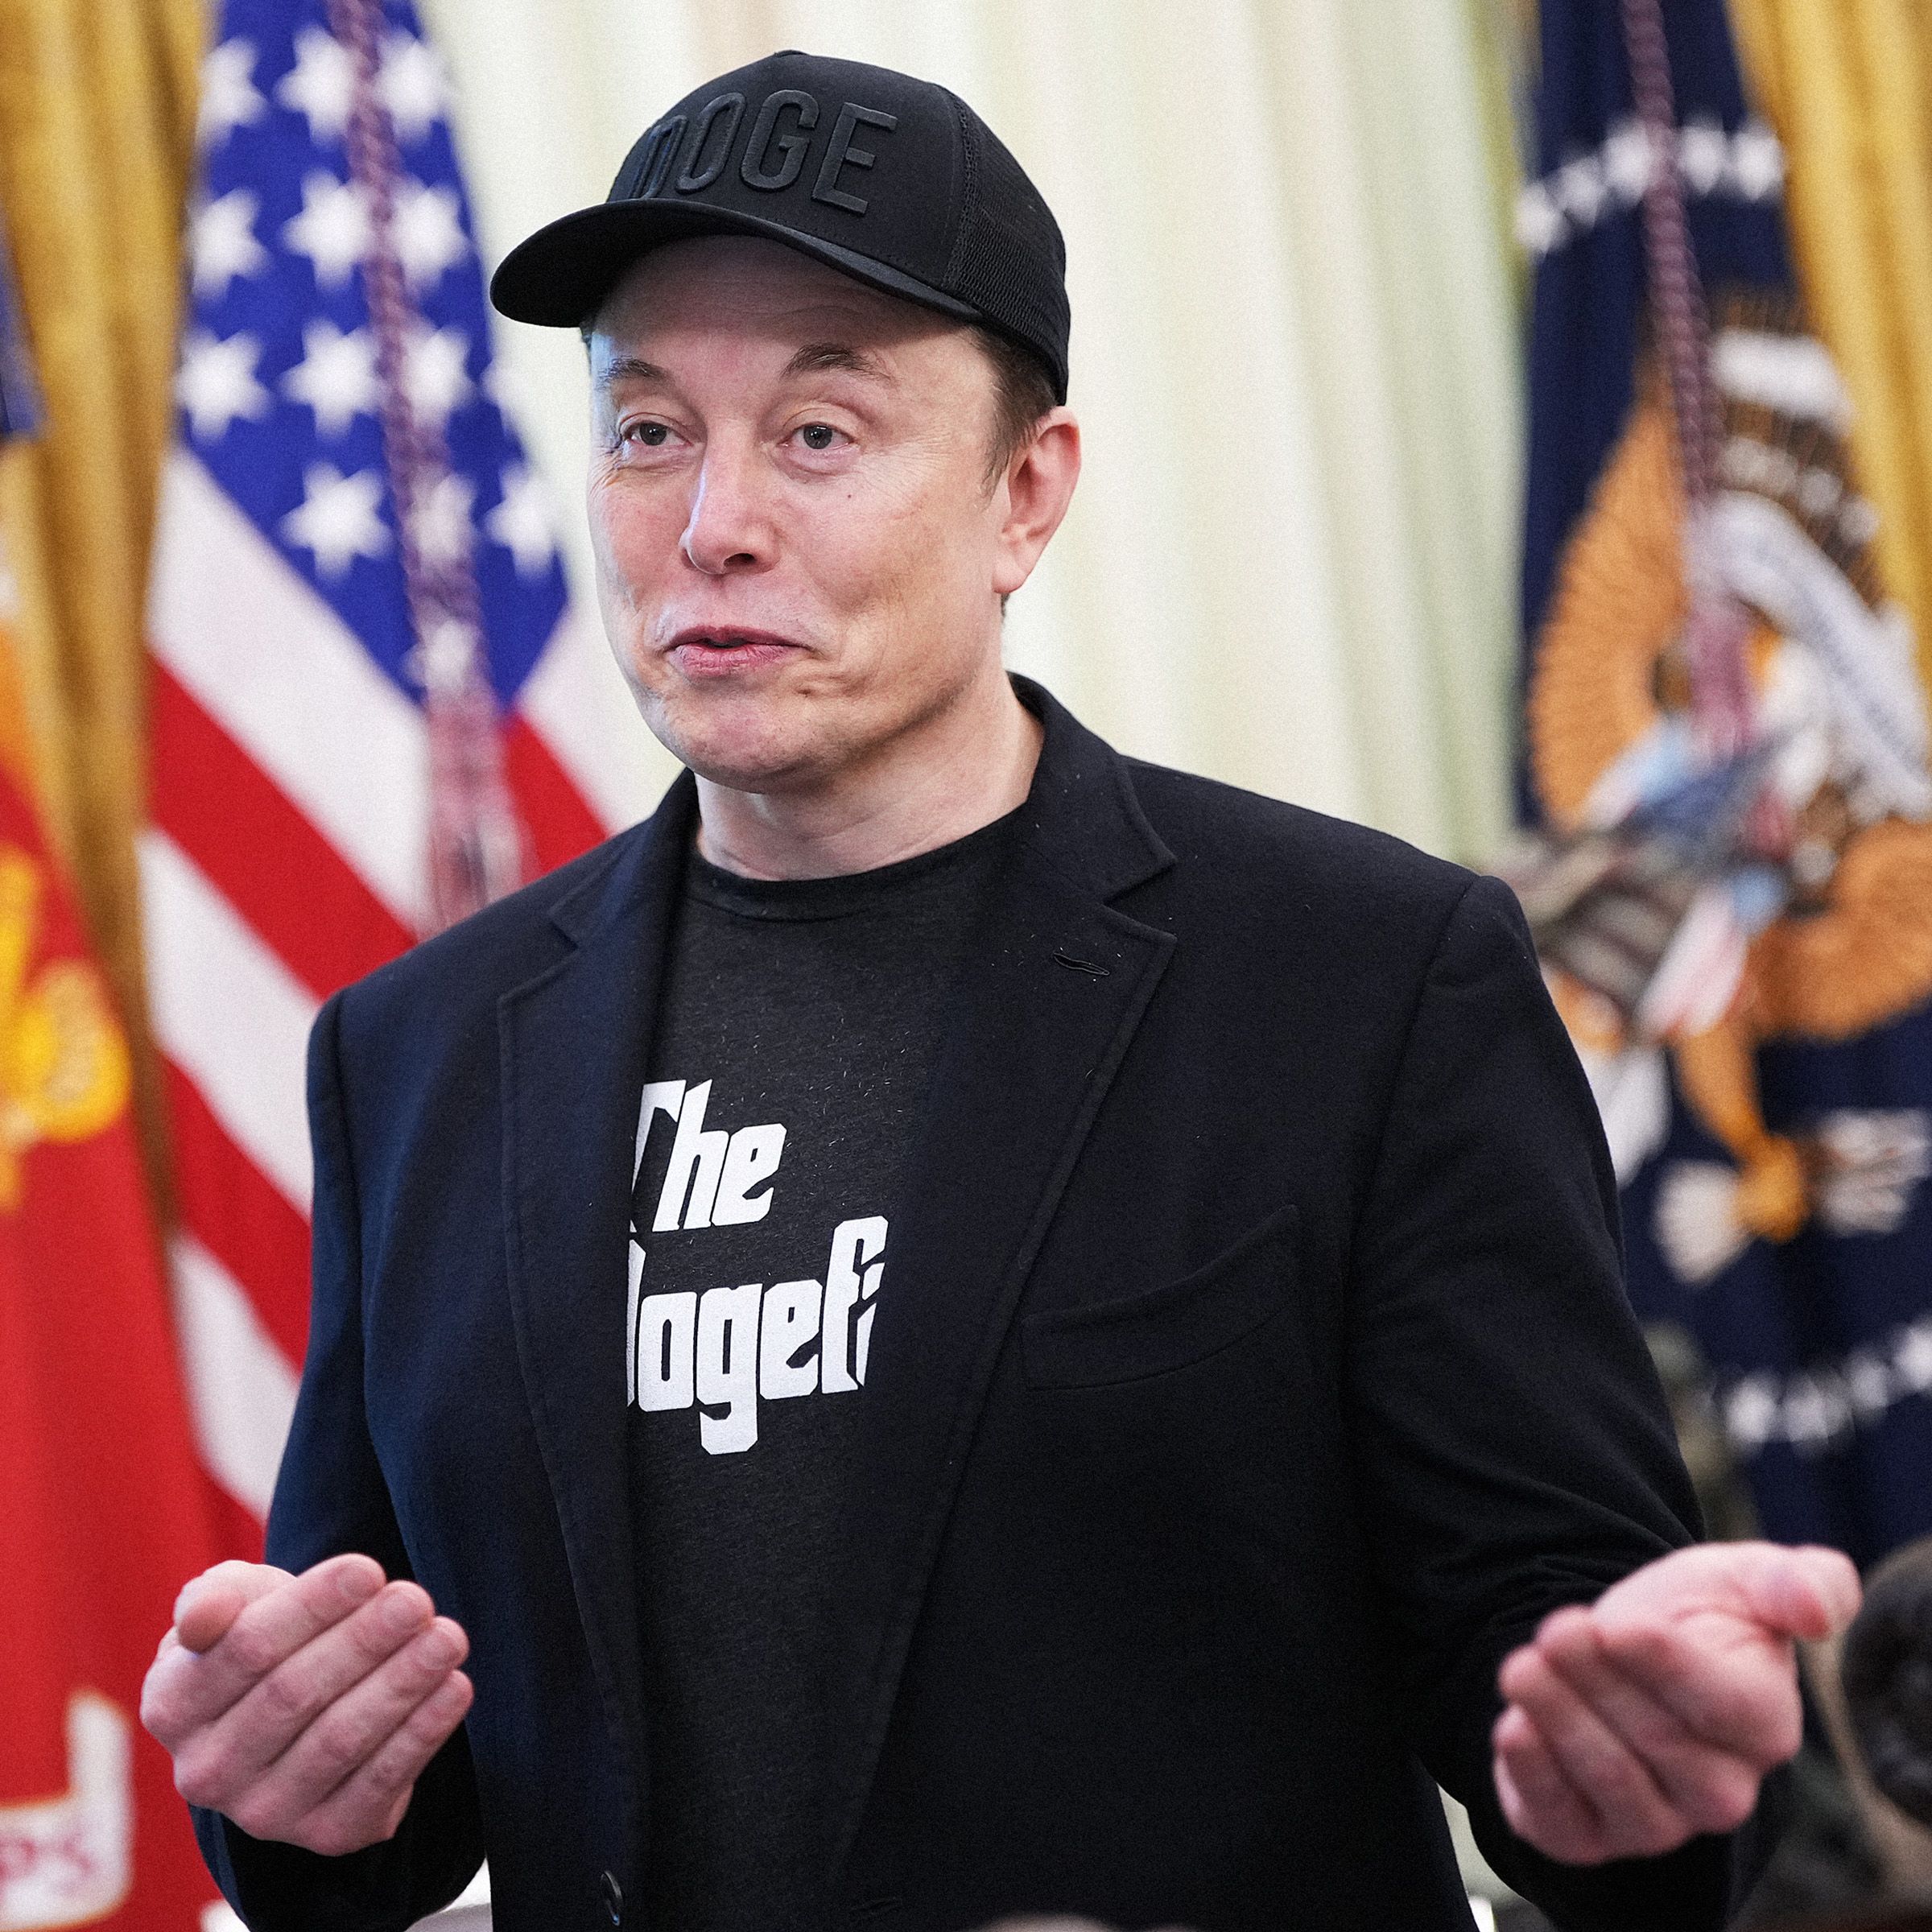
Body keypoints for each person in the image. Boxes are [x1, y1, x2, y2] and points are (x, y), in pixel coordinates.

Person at [140, 49, 1860, 1932]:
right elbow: (392, 1759)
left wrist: (1638, 1773)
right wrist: (292, 1794)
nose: (711, 520)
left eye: (819, 431)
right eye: (647, 430)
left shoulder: (1363, 985)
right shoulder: (418, 1055)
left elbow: (1571, 1678)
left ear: (1024, 497)